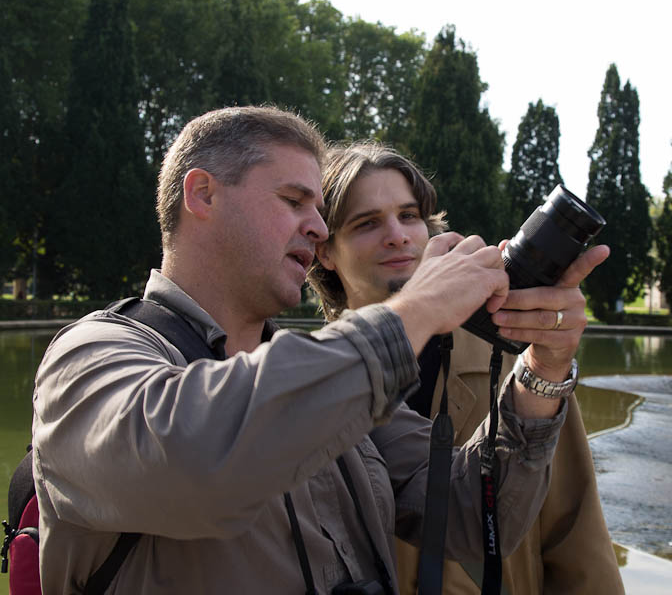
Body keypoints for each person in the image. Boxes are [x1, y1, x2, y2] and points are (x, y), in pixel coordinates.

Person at [32, 106, 575, 594]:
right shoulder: (90, 356)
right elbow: (194, 461)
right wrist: (418, 308)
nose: (317, 228)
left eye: (318, 207)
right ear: (202, 195)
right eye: (293, 201)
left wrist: (542, 369)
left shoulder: (323, 373)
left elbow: (470, 515)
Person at [308, 141, 624, 594]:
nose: (397, 234)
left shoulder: (520, 360)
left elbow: (574, 531)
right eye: (367, 223)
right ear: (325, 252)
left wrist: (548, 364)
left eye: (409, 215)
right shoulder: (307, 381)